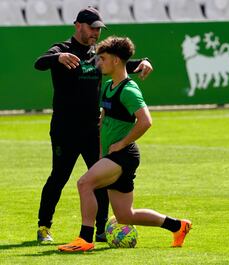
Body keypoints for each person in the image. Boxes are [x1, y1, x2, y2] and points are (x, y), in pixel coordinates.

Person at [57, 36, 191, 252]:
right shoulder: (109, 85)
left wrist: (121, 144)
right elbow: (105, 122)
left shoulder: (129, 90)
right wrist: (102, 153)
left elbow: (146, 121)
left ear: (116, 61)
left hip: (124, 155)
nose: (99, 63)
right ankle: (178, 226)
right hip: (114, 155)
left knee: (84, 184)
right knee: (125, 215)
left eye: (103, 58)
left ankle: (84, 239)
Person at [34, 7, 153, 244]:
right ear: (78, 25)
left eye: (99, 29)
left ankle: (100, 230)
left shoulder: (96, 54)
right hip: (65, 130)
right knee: (59, 176)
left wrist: (144, 62)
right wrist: (57, 58)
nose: (96, 33)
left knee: (99, 179)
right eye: (92, 28)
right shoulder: (63, 50)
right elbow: (39, 63)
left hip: (93, 129)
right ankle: (44, 227)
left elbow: (120, 64)